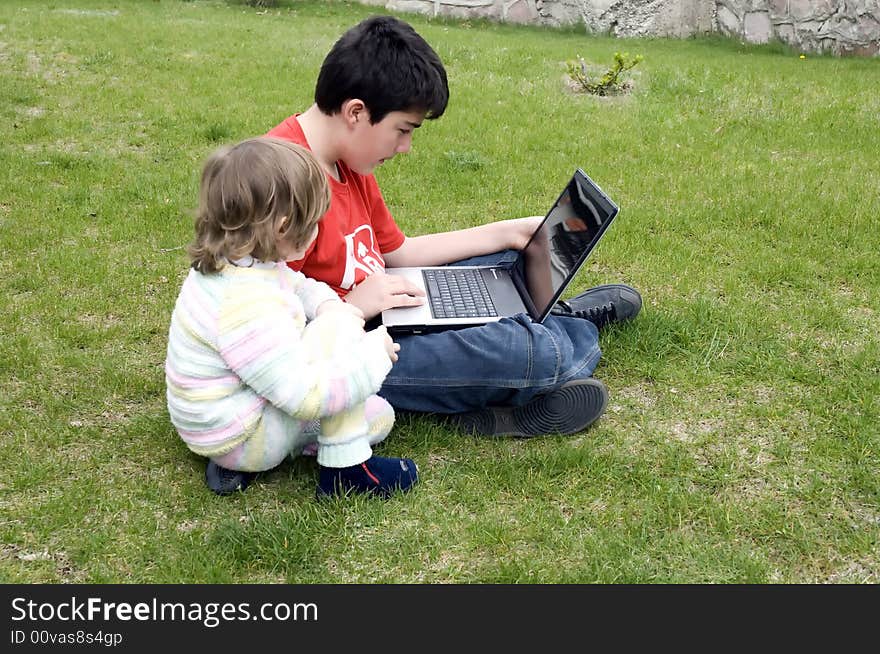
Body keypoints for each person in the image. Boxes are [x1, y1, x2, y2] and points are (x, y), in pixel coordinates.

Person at [265, 14, 642, 436]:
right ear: (357, 112)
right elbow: (265, 336)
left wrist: (509, 232)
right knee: (536, 354)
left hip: (396, 297)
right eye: (403, 130)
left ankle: (540, 315)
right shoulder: (278, 182)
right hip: (355, 349)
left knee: (505, 261)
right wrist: (354, 306)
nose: (405, 147)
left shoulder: (347, 161)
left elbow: (397, 253)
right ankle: (556, 334)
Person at [165, 137, 418, 498]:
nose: (318, 230)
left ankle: (307, 443)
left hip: (225, 419)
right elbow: (305, 396)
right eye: (315, 222)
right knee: (339, 339)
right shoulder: (246, 305)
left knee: (378, 415)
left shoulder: (238, 264)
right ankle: (346, 471)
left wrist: (330, 305)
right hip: (238, 437)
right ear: (284, 227)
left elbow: (297, 284)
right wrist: (370, 358)